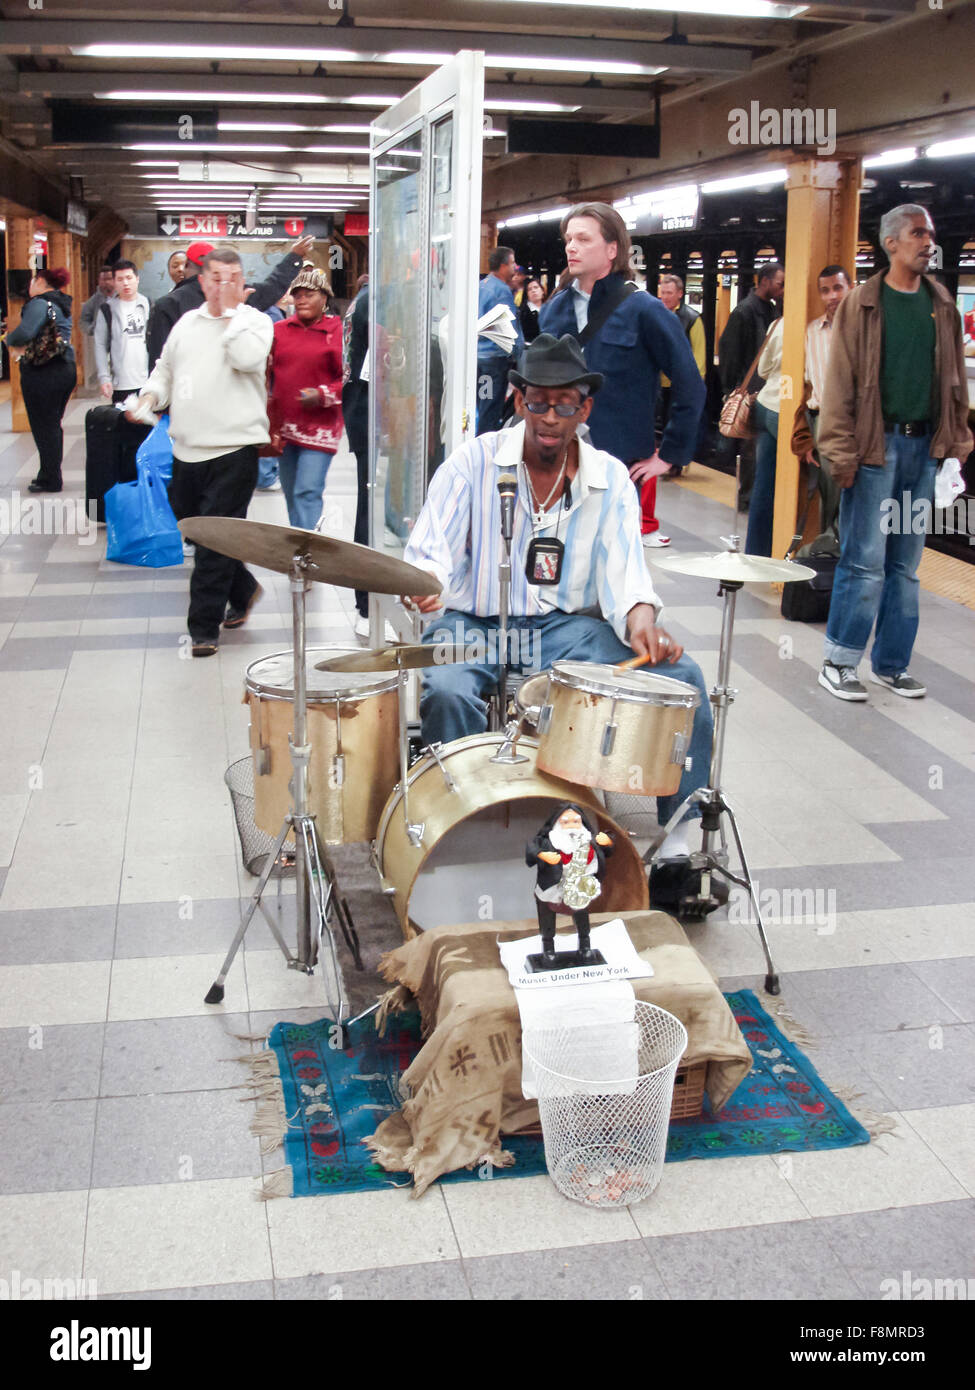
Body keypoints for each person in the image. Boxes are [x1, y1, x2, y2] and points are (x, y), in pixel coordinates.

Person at [403, 332, 715, 894]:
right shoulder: (472, 463)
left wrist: (643, 621)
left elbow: (626, 579)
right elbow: (428, 557)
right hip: (476, 622)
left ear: (585, 407)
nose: (550, 416)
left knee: (683, 679)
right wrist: (425, 586)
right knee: (446, 689)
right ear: (518, 399)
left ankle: (676, 840)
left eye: (565, 403)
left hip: (566, 632)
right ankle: (461, 818)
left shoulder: (610, 478)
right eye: (538, 401)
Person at [818, 204, 972, 702]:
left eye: (930, 232)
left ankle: (890, 663)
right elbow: (839, 384)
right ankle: (840, 661)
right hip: (874, 450)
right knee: (865, 561)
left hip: (923, 450)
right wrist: (840, 454)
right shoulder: (862, 303)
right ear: (891, 243)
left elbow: (954, 380)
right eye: (918, 233)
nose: (928, 241)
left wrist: (958, 439)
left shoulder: (940, 303)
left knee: (905, 563)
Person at [129, 248, 273, 658]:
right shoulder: (187, 323)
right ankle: (243, 589)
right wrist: (151, 396)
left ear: (242, 280)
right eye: (215, 277)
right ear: (202, 280)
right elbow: (166, 369)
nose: (223, 285)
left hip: (235, 448)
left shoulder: (255, 322)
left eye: (232, 277)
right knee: (192, 527)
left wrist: (233, 315)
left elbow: (246, 359)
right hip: (187, 447)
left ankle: (203, 629)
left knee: (214, 540)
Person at [539, 202, 705, 549]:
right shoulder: (555, 309)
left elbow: (690, 383)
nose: (571, 247)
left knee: (612, 564)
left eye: (583, 239)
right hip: (555, 462)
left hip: (619, 466)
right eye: (569, 239)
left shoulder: (645, 310)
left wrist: (669, 455)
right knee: (554, 557)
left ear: (612, 249)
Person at [146, 234, 314, 370]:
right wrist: (294, 256)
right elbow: (271, 288)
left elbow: (160, 363)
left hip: (185, 398)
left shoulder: (167, 305)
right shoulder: (239, 298)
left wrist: (157, 403)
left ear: (187, 265)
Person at [266, 267, 343, 532]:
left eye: (309, 294)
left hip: (320, 429)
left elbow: (349, 378)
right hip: (285, 428)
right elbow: (264, 371)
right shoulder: (279, 330)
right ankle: (300, 549)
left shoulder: (338, 331)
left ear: (324, 298)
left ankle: (309, 551)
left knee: (307, 491)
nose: (301, 300)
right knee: (291, 494)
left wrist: (322, 395)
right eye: (297, 295)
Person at [790, 265, 852, 539]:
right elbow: (807, 387)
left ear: (851, 288)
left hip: (853, 424)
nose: (832, 296)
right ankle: (832, 562)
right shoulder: (812, 331)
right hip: (822, 423)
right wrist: (804, 436)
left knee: (850, 497)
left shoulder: (865, 330)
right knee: (830, 496)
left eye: (838, 288)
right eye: (825, 291)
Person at [717, 261, 784, 509]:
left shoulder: (771, 311)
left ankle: (756, 497)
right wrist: (731, 389)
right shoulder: (744, 312)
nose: (783, 289)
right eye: (780, 283)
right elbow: (729, 352)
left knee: (755, 449)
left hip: (763, 390)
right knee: (750, 450)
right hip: (750, 390)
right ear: (764, 281)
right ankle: (747, 498)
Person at [3, 266, 76, 494]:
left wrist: (7, 339)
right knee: (52, 424)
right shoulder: (62, 303)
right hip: (65, 368)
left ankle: (51, 478)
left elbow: (25, 332)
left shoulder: (39, 303)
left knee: (44, 426)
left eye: (34, 279)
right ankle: (48, 474)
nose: (30, 284)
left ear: (42, 282)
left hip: (44, 371)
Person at [342, 273, 371, 634]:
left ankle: (367, 601)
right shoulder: (373, 302)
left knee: (370, 507)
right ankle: (366, 604)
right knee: (372, 511)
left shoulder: (362, 299)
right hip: (375, 418)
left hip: (363, 413)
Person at [656, 273, 706, 477]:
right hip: (658, 382)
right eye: (662, 293)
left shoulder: (692, 319)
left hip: (679, 383)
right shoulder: (655, 314)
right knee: (658, 421)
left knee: (675, 421)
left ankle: (674, 461)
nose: (665, 297)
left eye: (669, 293)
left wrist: (694, 383)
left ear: (680, 294)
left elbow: (699, 354)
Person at [744, 317, 784, 556]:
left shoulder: (777, 323)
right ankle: (784, 549)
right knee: (795, 484)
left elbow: (763, 370)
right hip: (785, 411)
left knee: (764, 482)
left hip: (765, 404)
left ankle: (756, 551)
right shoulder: (810, 324)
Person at [476, 246, 523, 435]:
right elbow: (509, 331)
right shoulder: (502, 292)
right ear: (503, 266)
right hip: (494, 361)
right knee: (490, 411)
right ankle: (485, 450)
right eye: (512, 263)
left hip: (480, 359)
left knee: (481, 404)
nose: (515, 267)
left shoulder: (482, 285)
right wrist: (518, 356)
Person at [93, 260, 150, 403]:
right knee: (124, 423)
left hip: (148, 380)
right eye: (120, 279)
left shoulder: (149, 305)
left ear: (137, 279)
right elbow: (100, 345)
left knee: (149, 423)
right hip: (121, 383)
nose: (125, 283)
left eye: (129, 278)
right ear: (114, 282)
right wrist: (104, 377)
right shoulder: (107, 310)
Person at [79, 265, 116, 337]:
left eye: (109, 279)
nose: (107, 282)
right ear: (99, 280)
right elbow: (83, 320)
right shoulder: (93, 300)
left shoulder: (121, 297)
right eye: (104, 279)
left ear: (114, 280)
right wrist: (91, 330)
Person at [520, 278, 546, 344]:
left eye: (536, 287)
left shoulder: (549, 308)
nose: (533, 291)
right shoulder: (522, 313)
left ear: (542, 291)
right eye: (529, 289)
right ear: (527, 294)